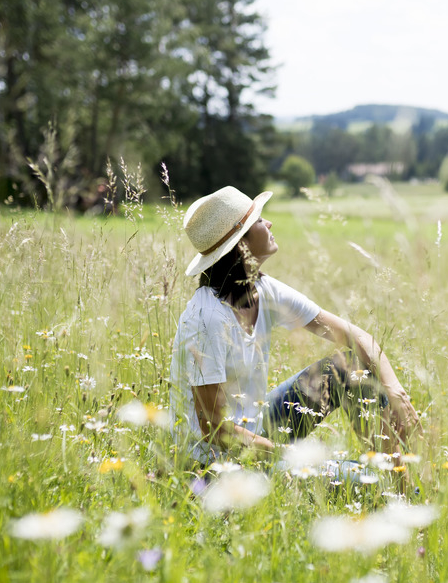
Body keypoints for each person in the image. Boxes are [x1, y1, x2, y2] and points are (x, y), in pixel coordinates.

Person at [169, 186, 420, 465]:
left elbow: (354, 336)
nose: (269, 223)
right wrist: (287, 456)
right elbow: (213, 428)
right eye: (259, 221)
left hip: (257, 428)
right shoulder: (207, 319)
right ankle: (376, 479)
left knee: (351, 367)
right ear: (241, 244)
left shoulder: (263, 289)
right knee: (359, 480)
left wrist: (394, 390)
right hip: (215, 462)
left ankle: (395, 477)